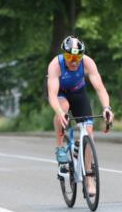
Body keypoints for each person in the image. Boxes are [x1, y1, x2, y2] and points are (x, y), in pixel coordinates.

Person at [46, 36, 115, 193]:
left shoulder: (88, 63)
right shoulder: (55, 65)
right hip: (60, 94)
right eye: (69, 56)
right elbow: (52, 94)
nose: (74, 61)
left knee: (89, 134)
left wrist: (107, 108)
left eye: (77, 57)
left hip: (78, 93)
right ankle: (60, 148)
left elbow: (100, 88)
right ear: (64, 55)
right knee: (62, 107)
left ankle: (89, 179)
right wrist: (59, 113)